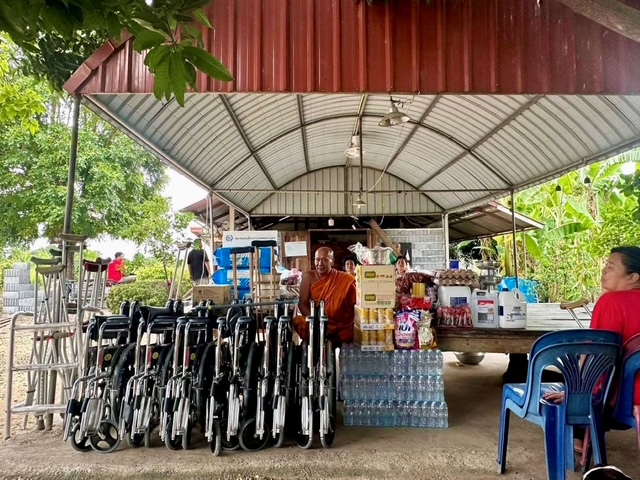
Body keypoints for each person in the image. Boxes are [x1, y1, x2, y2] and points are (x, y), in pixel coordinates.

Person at [544, 246, 640, 453]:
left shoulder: (612, 302)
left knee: (575, 389)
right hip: (633, 396)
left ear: (633, 277)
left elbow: (596, 358)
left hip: (624, 400)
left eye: (611, 267)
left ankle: (578, 438)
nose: (604, 270)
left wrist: (575, 394)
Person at [293, 247, 357, 346]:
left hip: (338, 324)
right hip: (315, 321)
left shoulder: (346, 279)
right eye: (317, 259)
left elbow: (353, 306)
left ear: (332, 261)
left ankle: (332, 343)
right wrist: (317, 320)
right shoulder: (308, 277)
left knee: (355, 330)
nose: (320, 263)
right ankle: (313, 345)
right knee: (298, 321)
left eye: (325, 260)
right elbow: (302, 303)